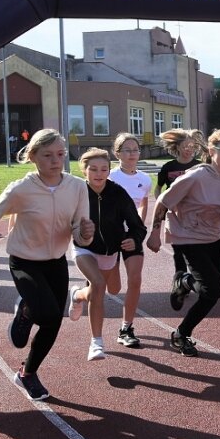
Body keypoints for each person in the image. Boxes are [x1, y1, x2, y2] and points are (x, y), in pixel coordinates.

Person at [0, 129, 95, 401]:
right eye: (47, 155)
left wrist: (86, 232)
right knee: (47, 312)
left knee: (52, 322)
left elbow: (79, 230)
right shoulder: (21, 189)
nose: (55, 160)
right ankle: (27, 310)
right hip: (24, 261)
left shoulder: (77, 187)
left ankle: (27, 373)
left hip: (56, 262)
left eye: (60, 154)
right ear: (32, 156)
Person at [146, 129, 220, 357]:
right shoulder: (195, 176)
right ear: (211, 151)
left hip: (213, 237)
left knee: (213, 291)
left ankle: (182, 317)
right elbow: (163, 203)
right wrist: (154, 233)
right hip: (187, 237)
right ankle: (182, 323)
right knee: (213, 287)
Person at [67, 148, 146, 361]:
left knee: (113, 289)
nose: (99, 174)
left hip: (110, 252)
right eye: (93, 169)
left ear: (109, 171)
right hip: (84, 248)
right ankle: (96, 343)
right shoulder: (76, 193)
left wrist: (134, 239)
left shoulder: (118, 193)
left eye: (103, 169)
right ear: (84, 171)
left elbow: (137, 226)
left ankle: (77, 295)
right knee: (99, 285)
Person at [109, 133, 151, 347]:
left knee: (135, 280)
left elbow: (143, 202)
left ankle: (126, 328)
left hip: (131, 235)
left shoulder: (145, 179)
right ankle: (80, 293)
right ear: (117, 154)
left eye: (135, 149)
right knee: (113, 288)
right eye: (127, 150)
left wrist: (138, 229)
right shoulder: (109, 178)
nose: (132, 153)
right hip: (109, 235)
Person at [154, 129, 201, 285]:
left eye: (192, 146)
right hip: (174, 214)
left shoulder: (199, 166)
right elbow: (158, 187)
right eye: (186, 146)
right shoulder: (168, 167)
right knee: (178, 250)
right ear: (178, 147)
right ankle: (180, 280)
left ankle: (197, 277)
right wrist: (160, 202)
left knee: (196, 248)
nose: (189, 149)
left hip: (195, 213)